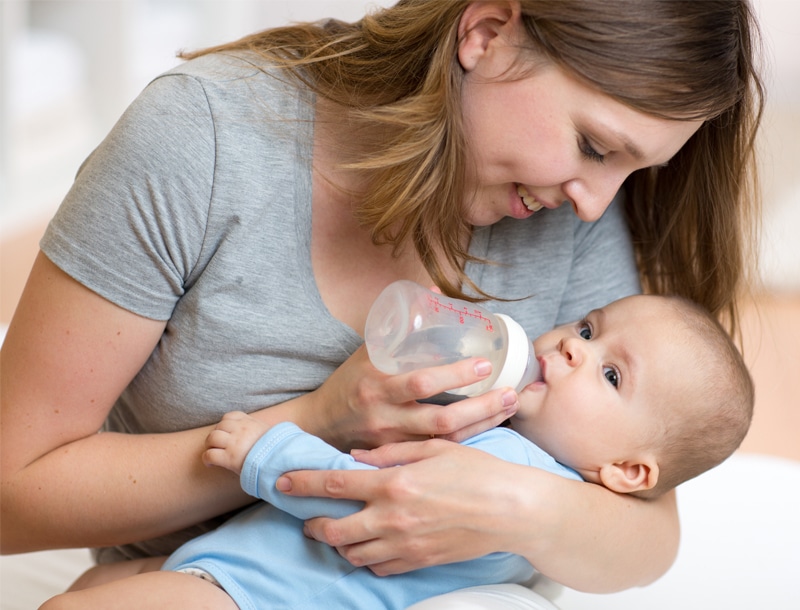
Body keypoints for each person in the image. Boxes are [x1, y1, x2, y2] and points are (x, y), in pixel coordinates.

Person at [1, 0, 764, 604]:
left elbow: (645, 526)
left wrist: (517, 508)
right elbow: (10, 494)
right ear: (488, 31)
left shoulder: (563, 212)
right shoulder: (203, 141)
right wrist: (311, 422)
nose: (597, 203)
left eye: (631, 171)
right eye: (596, 147)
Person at [38, 293, 755, 610]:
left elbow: (359, 491)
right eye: (591, 328)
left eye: (609, 374)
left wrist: (266, 449)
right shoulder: (507, 440)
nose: (572, 345)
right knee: (89, 592)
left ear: (628, 470)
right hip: (230, 570)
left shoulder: (519, 473)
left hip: (261, 597)